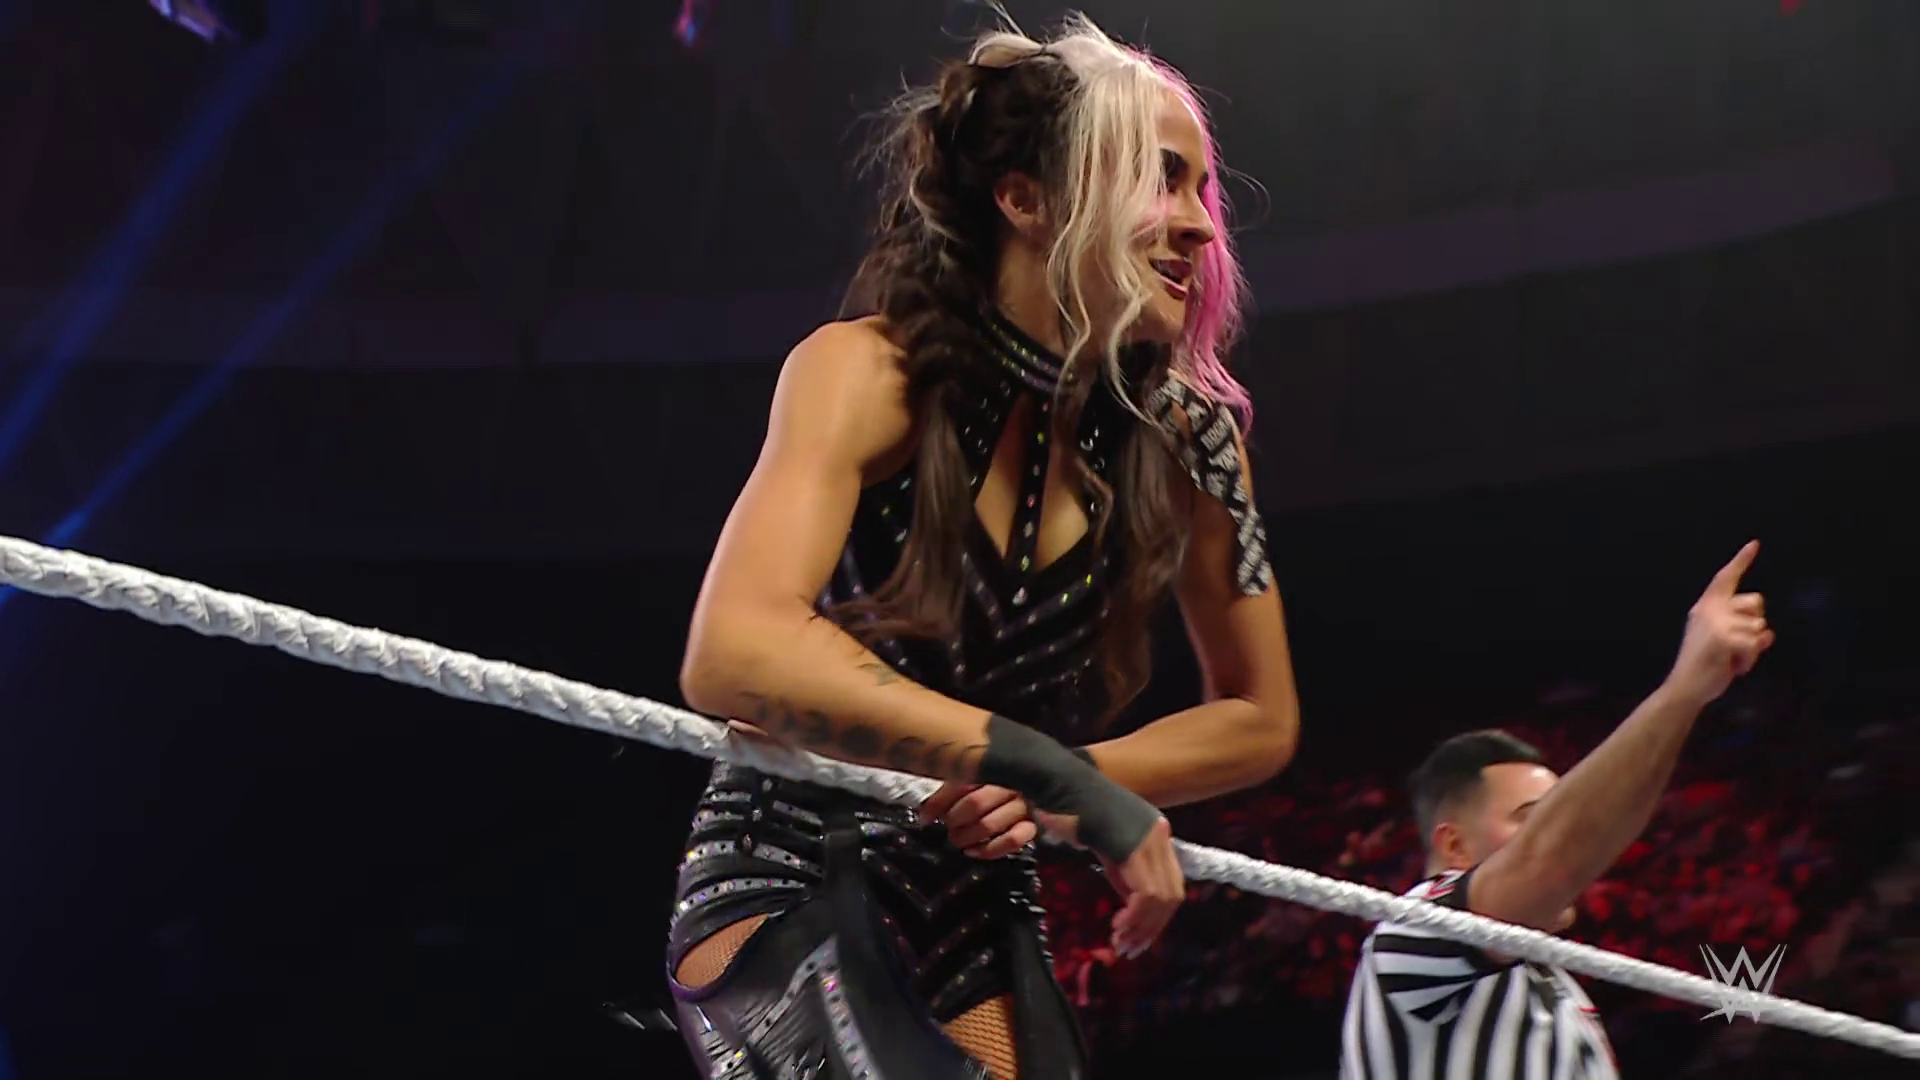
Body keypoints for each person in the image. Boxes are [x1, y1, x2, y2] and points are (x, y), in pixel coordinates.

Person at [666, 13, 1300, 1080]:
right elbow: (732, 649)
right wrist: (1034, 763)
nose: (1199, 225)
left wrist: (1075, 781)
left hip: (981, 895)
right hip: (793, 861)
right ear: (1025, 198)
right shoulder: (868, 373)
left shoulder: (1195, 441)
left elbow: (1260, 715)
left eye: (1202, 187)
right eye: (1159, 177)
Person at [1339, 542, 1775, 1079]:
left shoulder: (1552, 981)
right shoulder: (1410, 939)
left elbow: (1583, 834)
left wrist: (1696, 696)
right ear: (1455, 845)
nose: (1561, 831)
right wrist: (1683, 690)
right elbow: (1550, 858)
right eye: (1530, 817)